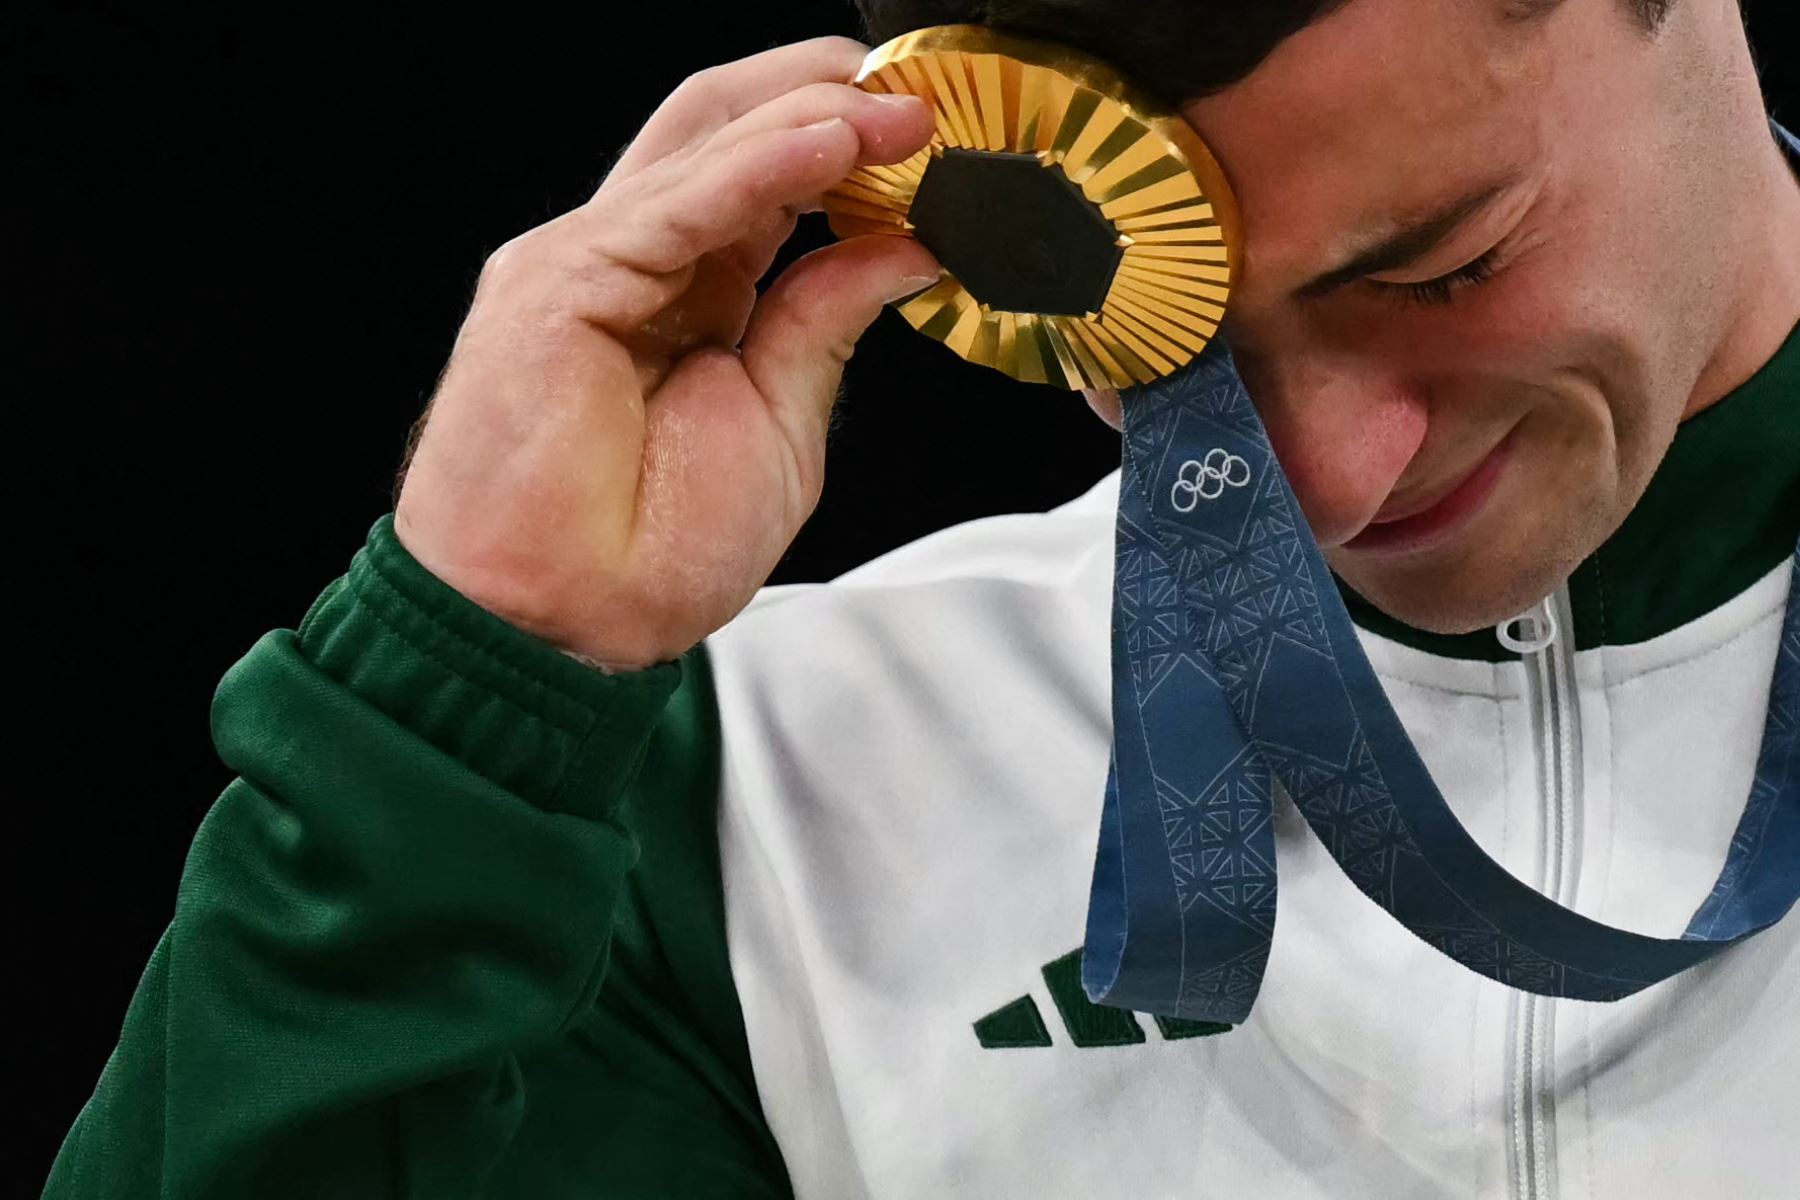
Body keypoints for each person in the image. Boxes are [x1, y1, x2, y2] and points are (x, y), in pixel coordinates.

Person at [43, 0, 1799, 1195]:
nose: (1323, 478)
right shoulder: (774, 791)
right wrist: (460, 702)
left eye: (1443, 263)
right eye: (1156, 335)